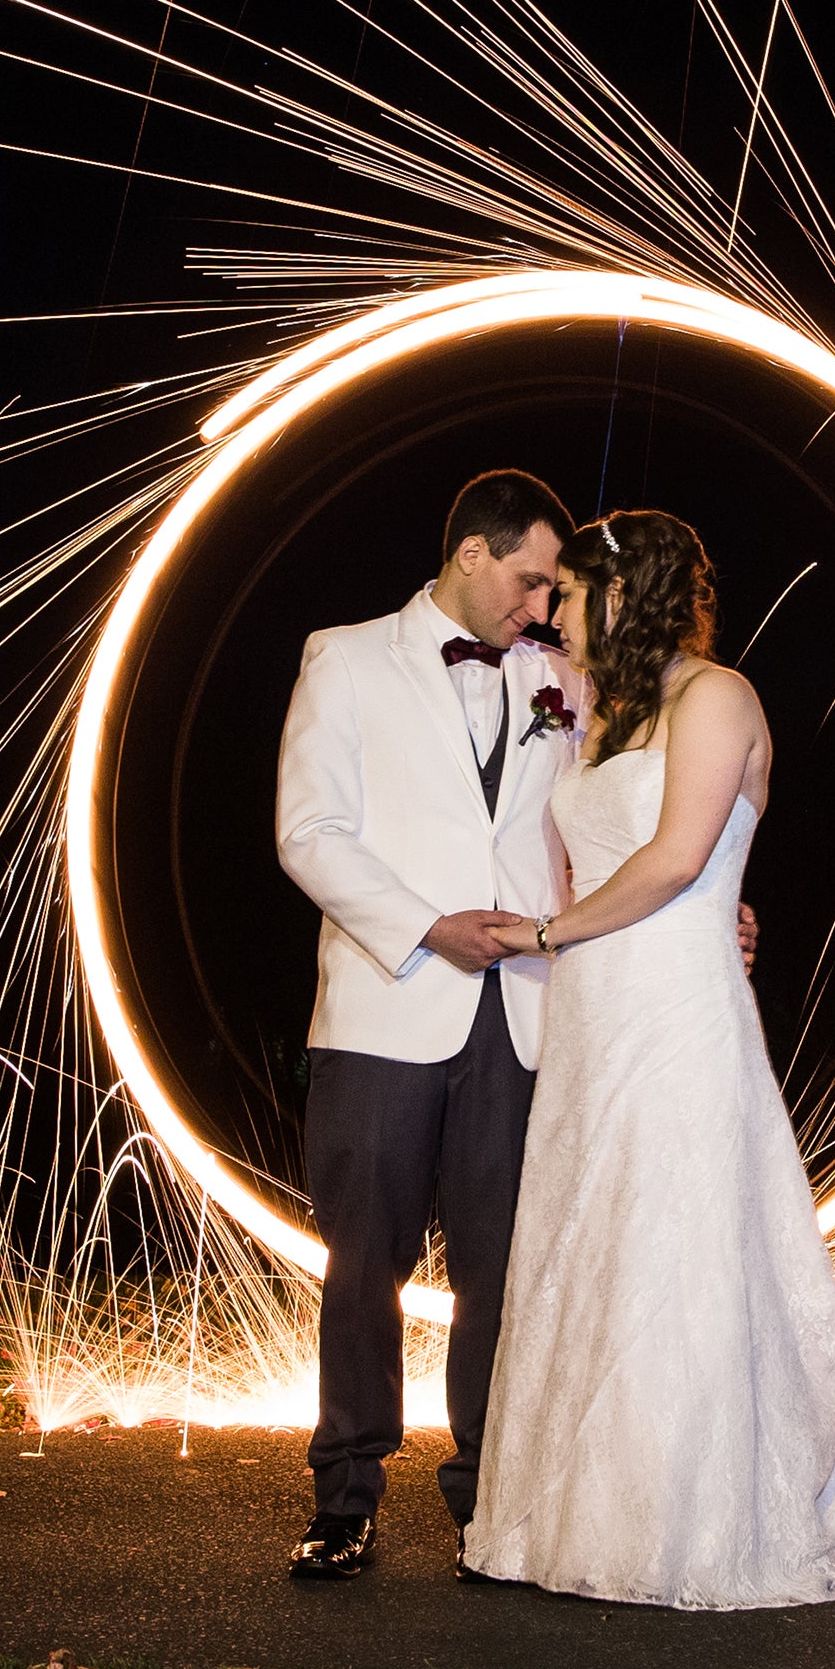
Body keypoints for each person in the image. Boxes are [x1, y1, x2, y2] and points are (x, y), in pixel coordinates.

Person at [459, 507, 835, 1608]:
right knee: (588, 1245)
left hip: (678, 1009)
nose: (554, 615)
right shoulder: (602, 713)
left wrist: (547, 935)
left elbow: (680, 854)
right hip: (596, 1013)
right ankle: (568, 1517)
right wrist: (555, 932)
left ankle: (689, 1525)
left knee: (676, 1243)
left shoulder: (718, 697)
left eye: (572, 594)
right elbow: (576, 851)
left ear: (624, 592)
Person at [268, 468, 574, 1580]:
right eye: (531, 581)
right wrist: (426, 926)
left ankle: (487, 1501)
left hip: (521, 1020)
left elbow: (608, 824)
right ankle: (344, 1498)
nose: (541, 608)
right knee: (365, 1267)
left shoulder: (562, 682)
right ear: (471, 554)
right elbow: (308, 832)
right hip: (384, 1009)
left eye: (552, 591)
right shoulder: (344, 658)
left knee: (503, 1268)